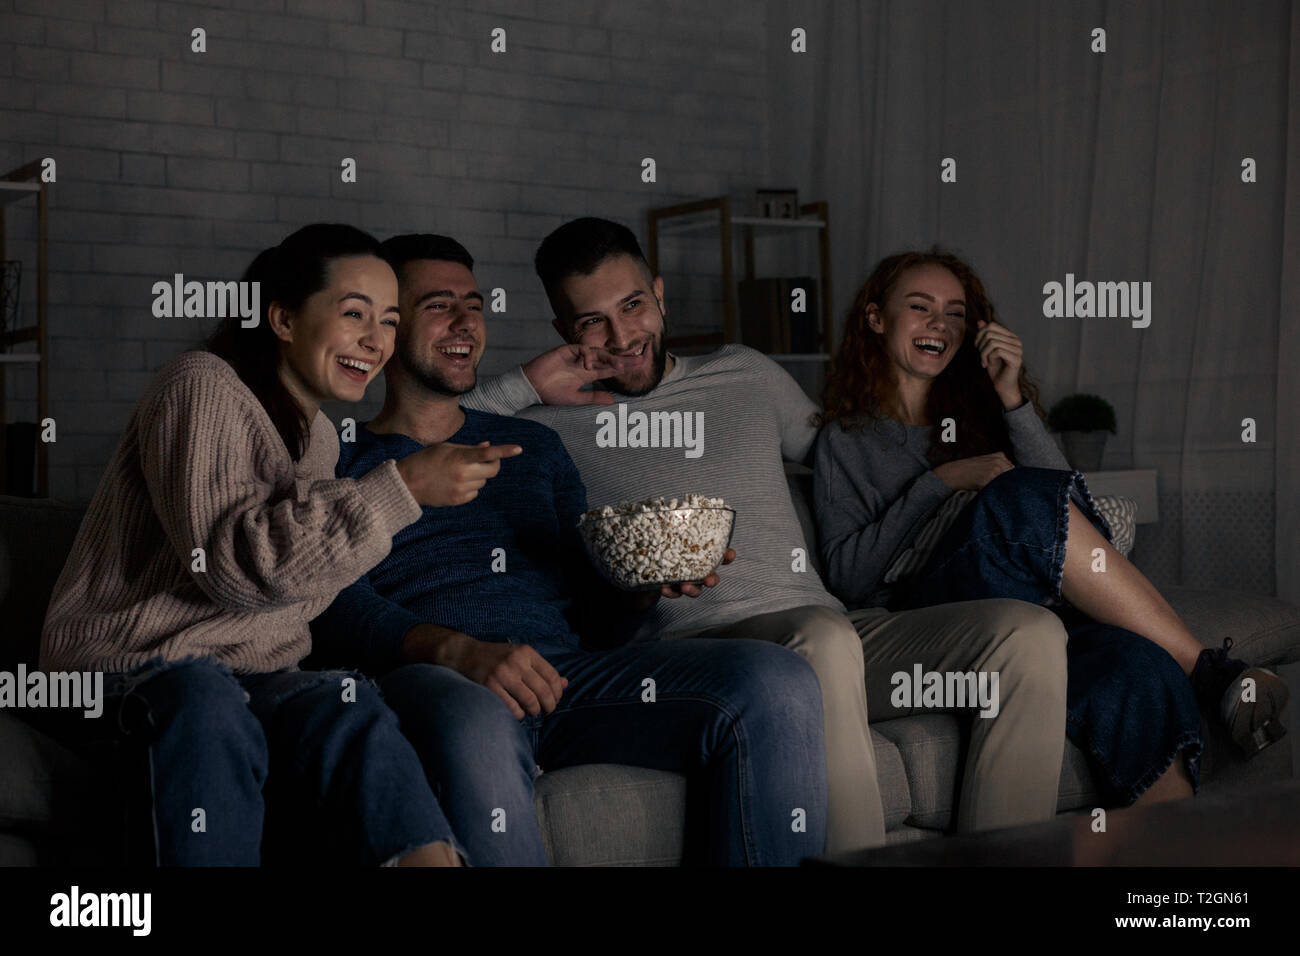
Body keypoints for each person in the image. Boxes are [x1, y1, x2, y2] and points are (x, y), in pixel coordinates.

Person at [500, 217, 1087, 846]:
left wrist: (1008, 410)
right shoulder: (548, 427)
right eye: (593, 321)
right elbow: (423, 429)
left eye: (634, 305)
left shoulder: (746, 373)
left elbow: (865, 455)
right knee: (823, 638)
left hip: (834, 627)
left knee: (1028, 634)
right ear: (564, 332)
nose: (622, 336)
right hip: (707, 651)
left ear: (660, 296)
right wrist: (526, 384)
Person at [307, 232, 828, 867]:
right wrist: (457, 650)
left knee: (776, 680)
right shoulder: (338, 455)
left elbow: (595, 612)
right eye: (438, 305)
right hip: (442, 679)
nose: (466, 321)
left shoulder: (535, 448)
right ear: (387, 328)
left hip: (567, 676)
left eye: (474, 304)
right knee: (472, 723)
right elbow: (324, 600)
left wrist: (639, 584)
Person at [38, 223, 482, 866]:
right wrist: (402, 487)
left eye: (388, 320)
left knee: (343, 700)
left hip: (248, 678)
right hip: (125, 672)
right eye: (354, 312)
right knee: (205, 696)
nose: (376, 341)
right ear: (281, 318)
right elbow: (230, 568)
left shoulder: (322, 439)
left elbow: (297, 587)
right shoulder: (200, 384)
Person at [814, 248, 1290, 808]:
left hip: (1029, 608)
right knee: (1013, 494)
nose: (939, 324)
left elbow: (1071, 512)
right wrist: (942, 481)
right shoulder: (846, 440)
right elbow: (848, 576)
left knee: (1139, 667)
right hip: (929, 609)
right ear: (876, 319)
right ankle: (1211, 672)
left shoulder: (984, 416)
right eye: (919, 308)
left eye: (956, 313)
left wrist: (1012, 397)